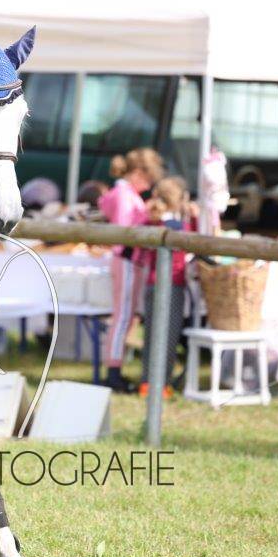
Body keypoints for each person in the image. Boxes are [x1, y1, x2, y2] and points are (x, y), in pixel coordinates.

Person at [97, 148, 164, 392]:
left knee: (127, 316)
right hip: (126, 258)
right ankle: (113, 371)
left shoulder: (126, 193)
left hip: (131, 260)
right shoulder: (125, 195)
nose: (148, 185)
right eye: (147, 179)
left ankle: (117, 367)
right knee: (123, 315)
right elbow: (125, 231)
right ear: (137, 172)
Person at [133, 177, 196, 393]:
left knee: (151, 335)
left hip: (151, 284)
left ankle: (146, 382)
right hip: (172, 285)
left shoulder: (152, 221)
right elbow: (193, 239)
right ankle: (162, 383)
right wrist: (194, 217)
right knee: (168, 337)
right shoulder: (176, 225)